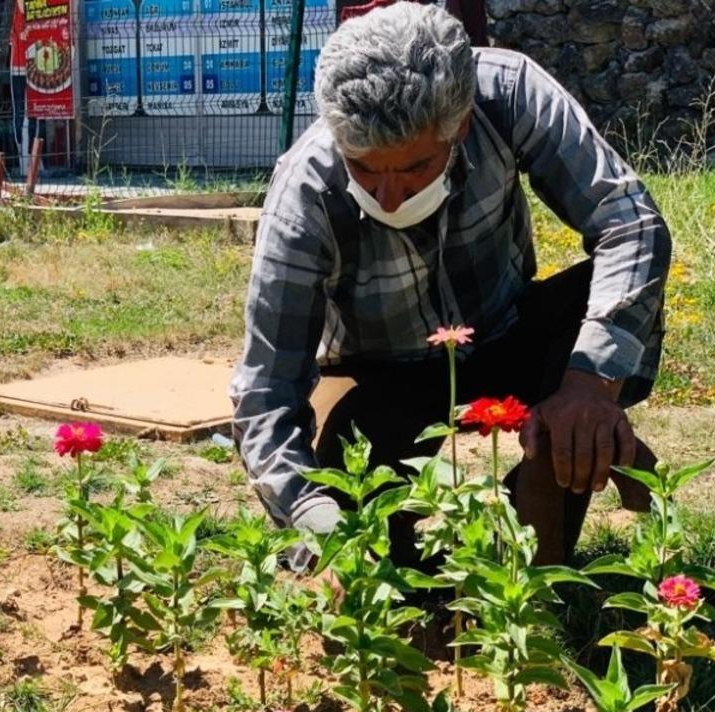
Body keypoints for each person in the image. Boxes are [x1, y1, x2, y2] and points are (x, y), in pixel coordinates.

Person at [229, 2, 670, 568]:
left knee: (600, 301)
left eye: (413, 168)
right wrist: (316, 521)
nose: (389, 196)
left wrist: (590, 385)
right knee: (368, 547)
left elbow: (630, 223)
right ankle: (408, 540)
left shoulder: (505, 95)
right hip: (382, 375)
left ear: (458, 127)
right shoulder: (305, 195)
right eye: (364, 168)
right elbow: (266, 393)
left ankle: (549, 499)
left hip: (507, 335)